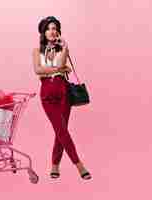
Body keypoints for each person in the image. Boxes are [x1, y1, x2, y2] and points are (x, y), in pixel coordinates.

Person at [32, 16, 92, 180]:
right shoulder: (37, 51)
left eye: (55, 28)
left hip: (63, 93)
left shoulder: (62, 49)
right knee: (61, 130)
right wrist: (57, 69)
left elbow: (61, 65)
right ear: (43, 31)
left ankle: (54, 166)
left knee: (61, 131)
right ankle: (79, 165)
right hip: (47, 95)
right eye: (49, 28)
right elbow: (37, 70)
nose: (52, 31)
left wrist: (64, 48)